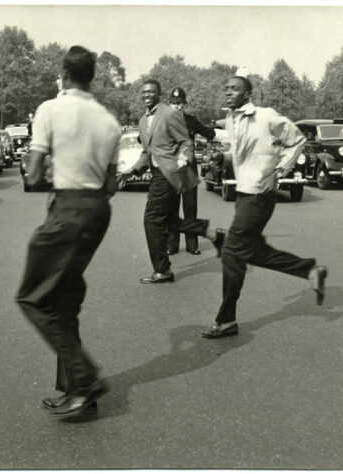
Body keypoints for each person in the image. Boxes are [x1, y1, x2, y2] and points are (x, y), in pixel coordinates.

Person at [16, 46, 121, 417]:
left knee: (32, 297)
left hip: (68, 209)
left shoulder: (50, 109)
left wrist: (53, 173)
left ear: (63, 74)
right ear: (91, 76)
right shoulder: (109, 121)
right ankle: (78, 392)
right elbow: (111, 184)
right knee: (64, 298)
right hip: (98, 211)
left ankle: (85, 376)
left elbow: (32, 174)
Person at [201, 75, 328, 339]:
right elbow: (220, 134)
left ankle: (226, 320)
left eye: (235, 89)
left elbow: (298, 140)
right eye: (226, 88)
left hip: (260, 195)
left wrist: (279, 170)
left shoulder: (266, 116)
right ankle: (309, 270)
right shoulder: (233, 120)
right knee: (252, 251)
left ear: (247, 94)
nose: (229, 92)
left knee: (232, 252)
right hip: (244, 196)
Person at [118, 79, 224, 284]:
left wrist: (185, 156)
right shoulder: (142, 121)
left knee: (151, 219)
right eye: (144, 92)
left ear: (159, 94)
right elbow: (147, 152)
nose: (147, 94)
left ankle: (162, 270)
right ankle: (209, 232)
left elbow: (185, 141)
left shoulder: (169, 114)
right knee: (169, 220)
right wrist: (131, 171)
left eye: (151, 91)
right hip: (159, 175)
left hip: (171, 173)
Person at [167, 87, 216, 256]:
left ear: (184, 104)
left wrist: (213, 127)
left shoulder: (191, 121)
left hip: (188, 171)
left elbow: (209, 133)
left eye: (180, 103)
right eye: (174, 104)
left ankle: (192, 245)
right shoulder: (163, 121)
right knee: (172, 209)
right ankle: (171, 245)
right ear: (169, 104)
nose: (177, 107)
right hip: (171, 170)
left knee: (190, 209)